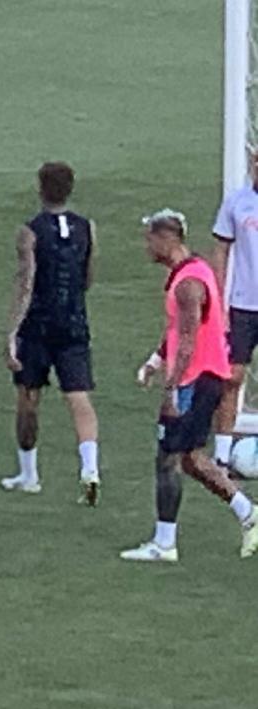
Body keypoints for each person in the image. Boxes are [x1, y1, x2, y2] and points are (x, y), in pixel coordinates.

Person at [121, 210, 258, 562]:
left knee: (169, 458)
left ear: (167, 238)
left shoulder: (188, 284)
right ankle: (248, 513)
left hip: (195, 380)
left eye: (150, 239)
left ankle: (164, 543)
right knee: (190, 459)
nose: (146, 246)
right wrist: (154, 361)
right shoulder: (193, 271)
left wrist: (171, 390)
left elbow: (187, 340)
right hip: (203, 377)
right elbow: (176, 331)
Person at [1, 162, 101, 503]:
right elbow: (87, 276)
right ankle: (90, 469)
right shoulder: (87, 228)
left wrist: (12, 332)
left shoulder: (30, 232)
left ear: (41, 188)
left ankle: (29, 474)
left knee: (28, 397)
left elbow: (26, 283)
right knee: (79, 396)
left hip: (38, 326)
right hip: (74, 323)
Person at [211, 145, 258, 471]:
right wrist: (219, 302)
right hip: (243, 306)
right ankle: (222, 454)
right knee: (232, 377)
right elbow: (221, 252)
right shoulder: (237, 202)